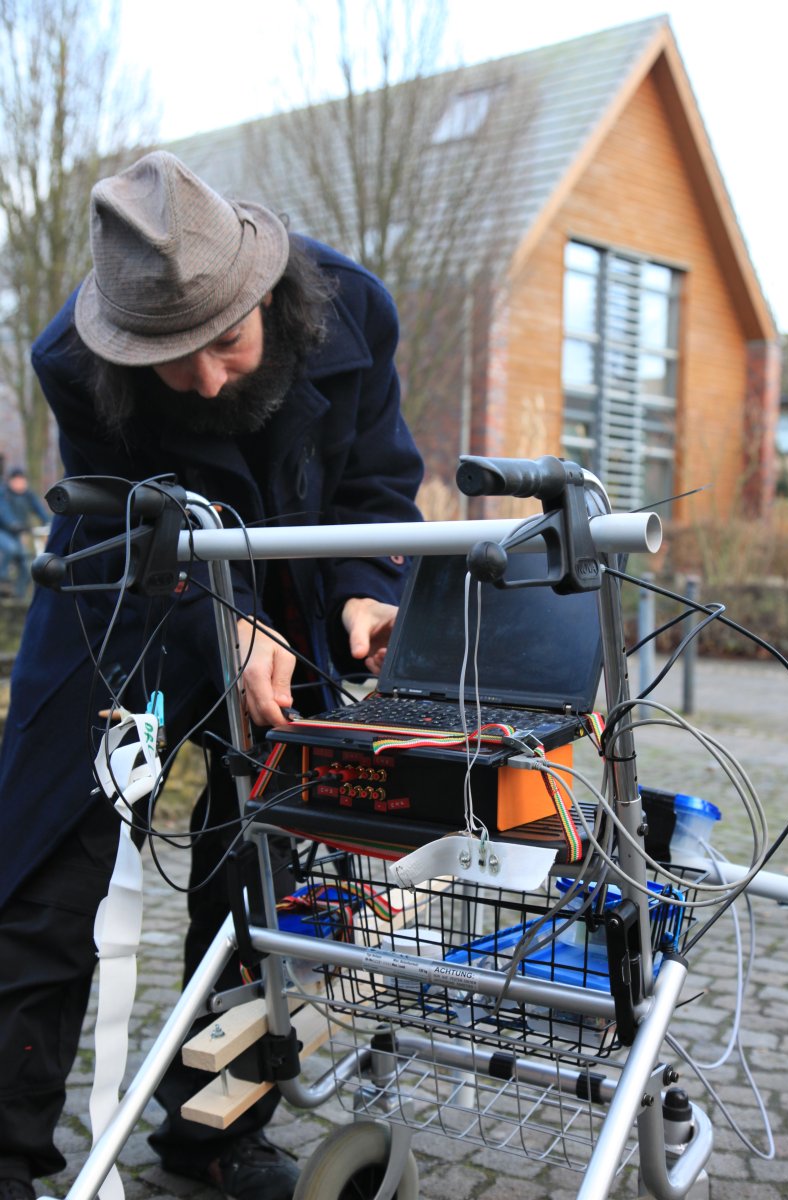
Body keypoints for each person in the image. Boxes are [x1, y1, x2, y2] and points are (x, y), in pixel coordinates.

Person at [0, 152, 424, 1200]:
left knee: (262, 880)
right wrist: (217, 619)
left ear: (267, 294)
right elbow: (122, 516)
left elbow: (375, 485)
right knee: (50, 874)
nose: (203, 381)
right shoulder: (70, 358)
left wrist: (366, 592)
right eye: (168, 360)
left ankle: (212, 1134)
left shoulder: (355, 310)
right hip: (126, 605)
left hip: (291, 610)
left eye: (225, 343)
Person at [0, 468, 50, 598]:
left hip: (17, 534)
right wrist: (14, 524)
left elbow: (39, 509)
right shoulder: (3, 494)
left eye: (22, 481)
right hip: (3, 531)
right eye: (17, 481)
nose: (20, 484)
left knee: (26, 565)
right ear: (10, 482)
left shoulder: (28, 495)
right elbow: (4, 512)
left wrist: (49, 523)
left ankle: (18, 597)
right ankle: (3, 580)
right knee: (11, 549)